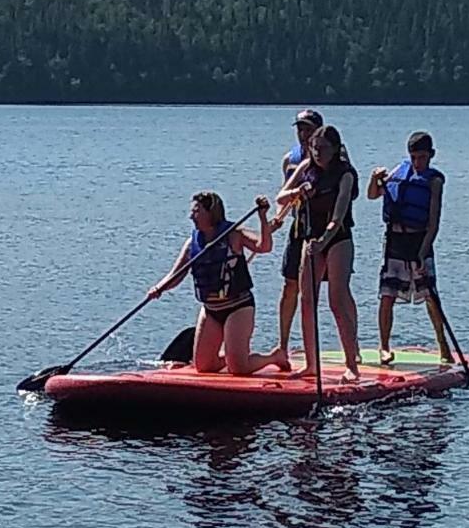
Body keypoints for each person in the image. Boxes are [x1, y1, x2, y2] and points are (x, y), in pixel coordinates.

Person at [149, 192, 288, 375]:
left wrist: (262, 218)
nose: (191, 216)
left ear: (210, 212)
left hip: (238, 306)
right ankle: (233, 356)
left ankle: (274, 357)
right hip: (211, 309)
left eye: (196, 211)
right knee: (204, 367)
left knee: (239, 369)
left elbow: (264, 246)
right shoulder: (193, 243)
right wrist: (159, 288)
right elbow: (175, 276)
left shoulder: (234, 234)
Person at [277, 124, 362, 383]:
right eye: (314, 148)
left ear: (335, 149)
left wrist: (323, 241)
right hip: (311, 238)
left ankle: (351, 364)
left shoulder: (345, 174)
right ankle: (312, 364)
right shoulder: (306, 168)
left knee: (336, 299)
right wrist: (297, 191)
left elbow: (338, 218)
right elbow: (281, 198)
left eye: (323, 148)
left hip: (337, 239)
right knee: (306, 300)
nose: (317, 153)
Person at [367, 130, 451, 364]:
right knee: (387, 295)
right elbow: (372, 195)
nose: (417, 162)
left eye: (422, 157)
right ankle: (384, 346)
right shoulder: (397, 172)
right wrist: (374, 179)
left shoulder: (434, 181)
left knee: (430, 297)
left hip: (419, 243)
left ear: (431, 155)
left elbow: (433, 223)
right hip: (395, 242)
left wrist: (423, 253)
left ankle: (442, 344)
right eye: (414, 157)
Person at [274, 108, 322, 363]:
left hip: (323, 232)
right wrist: (277, 218)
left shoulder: (332, 157)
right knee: (289, 284)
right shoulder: (290, 160)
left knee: (336, 292)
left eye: (308, 129)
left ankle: (352, 348)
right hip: (298, 228)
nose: (303, 134)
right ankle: (283, 344)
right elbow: (285, 195)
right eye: (300, 129)